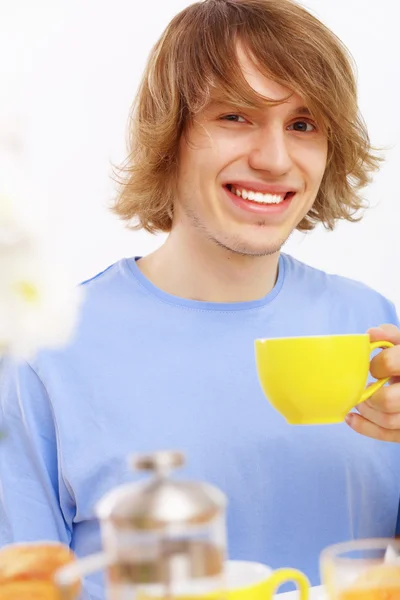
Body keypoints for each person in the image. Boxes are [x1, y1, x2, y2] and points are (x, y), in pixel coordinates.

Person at [1, 0, 400, 598]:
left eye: (302, 124)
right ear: (171, 136)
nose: (274, 159)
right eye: (235, 116)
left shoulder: (372, 325)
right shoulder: (44, 354)